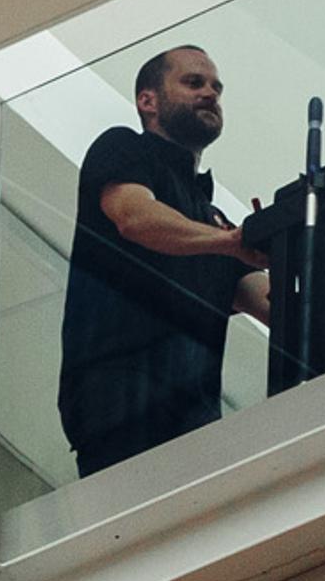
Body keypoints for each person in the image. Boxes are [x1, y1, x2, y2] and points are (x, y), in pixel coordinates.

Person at [57, 44, 270, 476]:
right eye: (193, 82)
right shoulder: (122, 147)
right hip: (117, 406)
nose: (210, 93)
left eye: (216, 88)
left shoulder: (213, 219)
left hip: (196, 424)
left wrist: (294, 248)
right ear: (147, 100)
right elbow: (134, 217)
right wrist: (231, 242)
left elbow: (272, 306)